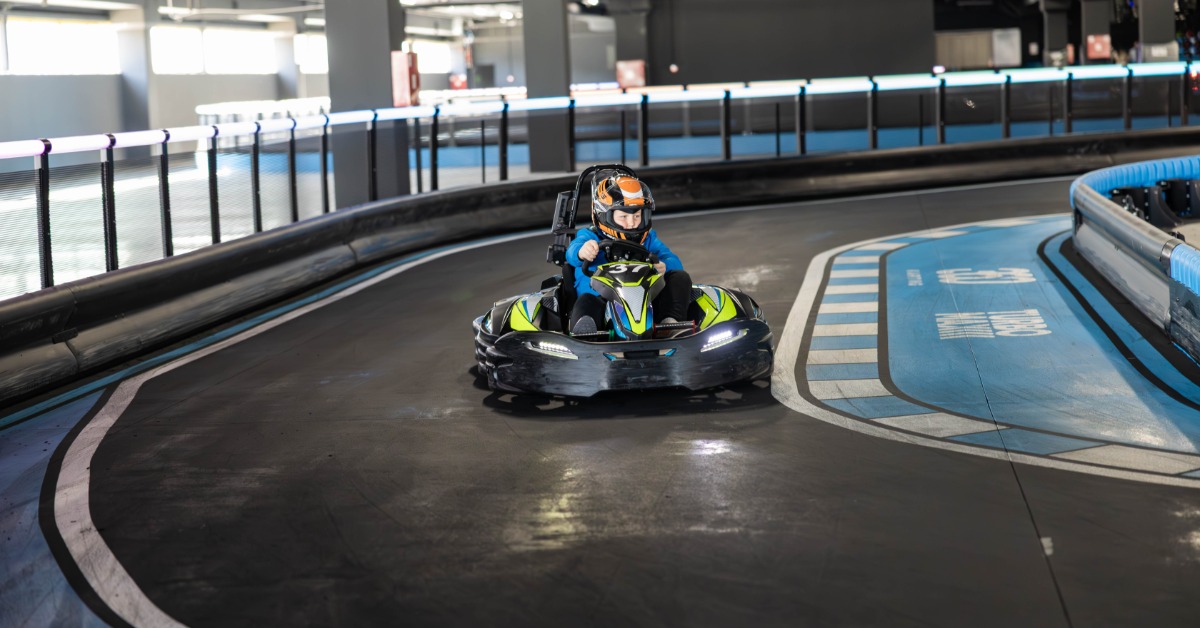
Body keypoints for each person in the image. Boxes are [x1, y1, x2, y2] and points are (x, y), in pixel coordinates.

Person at [565, 171, 692, 335]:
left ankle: (670, 324)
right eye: (623, 216)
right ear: (604, 215)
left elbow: (672, 259)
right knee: (586, 301)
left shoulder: (648, 239)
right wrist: (582, 251)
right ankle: (586, 336)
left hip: (645, 300)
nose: (632, 223)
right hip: (601, 299)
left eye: (637, 216)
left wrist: (664, 265)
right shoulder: (590, 237)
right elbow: (571, 252)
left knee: (680, 277)